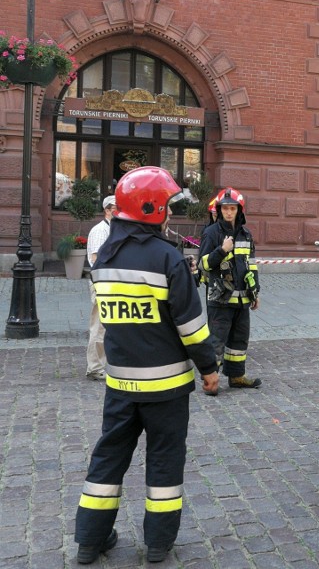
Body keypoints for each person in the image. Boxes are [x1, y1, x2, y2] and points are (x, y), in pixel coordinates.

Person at [74, 166, 219, 565]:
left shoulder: (104, 257)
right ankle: (158, 543)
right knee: (165, 459)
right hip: (166, 387)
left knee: (108, 457)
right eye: (167, 206)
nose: (170, 213)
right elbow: (191, 327)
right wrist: (209, 369)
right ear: (151, 207)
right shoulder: (167, 258)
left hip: (120, 385)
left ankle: (89, 540)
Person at [200, 187, 262, 392]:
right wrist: (222, 250)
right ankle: (211, 381)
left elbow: (251, 265)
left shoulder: (246, 234)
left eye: (232, 208)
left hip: (242, 299)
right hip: (220, 300)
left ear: (239, 210)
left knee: (239, 341)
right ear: (219, 209)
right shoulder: (211, 233)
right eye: (225, 208)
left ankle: (236, 376)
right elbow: (203, 265)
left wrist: (256, 292)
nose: (228, 212)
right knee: (216, 342)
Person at [84, 195, 116, 381]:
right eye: (115, 207)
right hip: (102, 282)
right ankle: (95, 367)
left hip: (111, 282)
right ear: (107, 210)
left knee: (108, 325)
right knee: (99, 326)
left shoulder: (113, 229)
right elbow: (96, 259)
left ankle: (104, 363)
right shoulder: (99, 230)